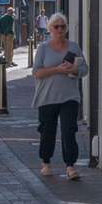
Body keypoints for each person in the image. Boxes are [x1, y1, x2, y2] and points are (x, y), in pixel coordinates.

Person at [32, 13, 88, 180]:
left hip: (69, 96)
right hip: (47, 96)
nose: (60, 30)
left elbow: (84, 70)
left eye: (63, 26)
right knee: (47, 131)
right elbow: (37, 72)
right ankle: (46, 162)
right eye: (56, 26)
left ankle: (70, 166)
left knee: (69, 130)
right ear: (50, 29)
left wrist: (73, 70)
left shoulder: (73, 47)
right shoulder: (43, 48)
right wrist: (57, 70)